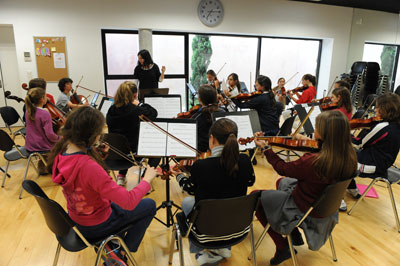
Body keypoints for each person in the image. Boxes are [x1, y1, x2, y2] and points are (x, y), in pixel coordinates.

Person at [48, 106, 157, 265]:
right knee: (149, 205)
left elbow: (85, 180)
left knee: (121, 205)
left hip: (76, 219)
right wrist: (147, 180)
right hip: (97, 225)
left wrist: (99, 155)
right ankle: (118, 251)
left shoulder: (61, 154)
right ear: (91, 135)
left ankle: (111, 244)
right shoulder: (88, 167)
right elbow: (128, 201)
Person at [253, 110, 357, 265]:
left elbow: (283, 167)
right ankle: (293, 233)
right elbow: (316, 152)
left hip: (304, 208)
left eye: (316, 128)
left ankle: (282, 247)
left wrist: (266, 149)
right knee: (282, 182)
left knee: (256, 197)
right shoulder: (348, 154)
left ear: (325, 134)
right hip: (325, 206)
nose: (314, 131)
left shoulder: (314, 162)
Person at [173, 118, 255, 265]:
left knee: (187, 202)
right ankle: (223, 248)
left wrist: (178, 175)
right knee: (225, 203)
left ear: (212, 139)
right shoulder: (244, 160)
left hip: (206, 233)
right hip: (238, 229)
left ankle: (202, 252)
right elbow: (250, 181)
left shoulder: (201, 165)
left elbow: (189, 188)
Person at [346, 93, 400, 208]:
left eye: (377, 107)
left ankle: (337, 197)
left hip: (373, 166)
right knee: (346, 154)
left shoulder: (383, 126)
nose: (375, 110)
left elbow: (360, 143)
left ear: (385, 109)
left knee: (337, 160)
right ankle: (351, 187)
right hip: (382, 164)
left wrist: (345, 133)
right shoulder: (396, 126)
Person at [106, 81, 159, 186]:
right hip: (132, 155)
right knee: (157, 149)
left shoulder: (111, 110)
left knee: (123, 144)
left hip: (113, 155)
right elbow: (153, 113)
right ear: (135, 95)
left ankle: (121, 176)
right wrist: (138, 103)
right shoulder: (134, 110)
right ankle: (145, 178)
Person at [232, 75, 282, 165]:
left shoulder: (261, 98)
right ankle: (250, 152)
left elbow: (242, 106)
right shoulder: (269, 95)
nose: (255, 87)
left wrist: (232, 97)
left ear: (263, 87)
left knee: (247, 128)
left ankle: (252, 157)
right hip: (273, 125)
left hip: (267, 128)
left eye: (257, 85)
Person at [25, 87, 60, 173]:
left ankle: (42, 167)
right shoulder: (45, 113)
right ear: (42, 99)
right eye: (45, 96)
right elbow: (50, 135)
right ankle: (56, 168)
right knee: (63, 143)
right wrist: (59, 138)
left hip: (30, 144)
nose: (47, 98)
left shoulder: (28, 111)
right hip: (41, 145)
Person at [192, 85, 225, 153]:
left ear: (199, 99)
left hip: (201, 154)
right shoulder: (223, 113)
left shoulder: (197, 117)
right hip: (221, 152)